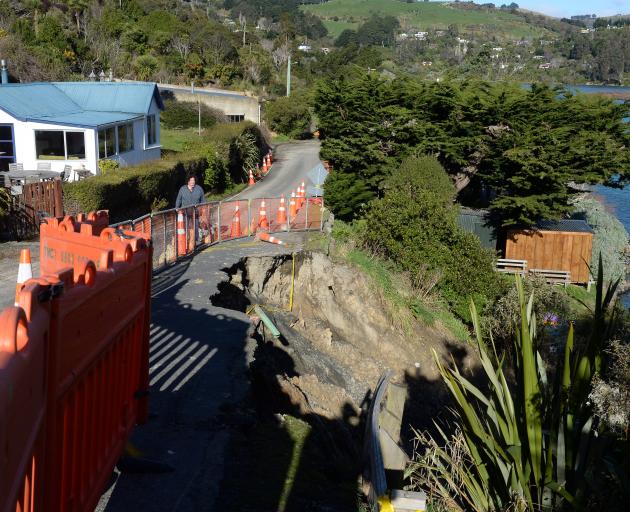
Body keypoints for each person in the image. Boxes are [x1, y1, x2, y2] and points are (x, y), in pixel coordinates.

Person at [175, 175, 205, 243]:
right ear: (188, 181)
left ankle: (195, 241)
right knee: (186, 227)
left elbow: (203, 200)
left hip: (195, 212)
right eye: (191, 180)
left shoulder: (199, 189)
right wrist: (177, 208)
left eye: (194, 180)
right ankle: (186, 240)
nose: (192, 182)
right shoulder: (182, 189)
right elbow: (179, 199)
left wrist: (203, 209)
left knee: (195, 226)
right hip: (185, 212)